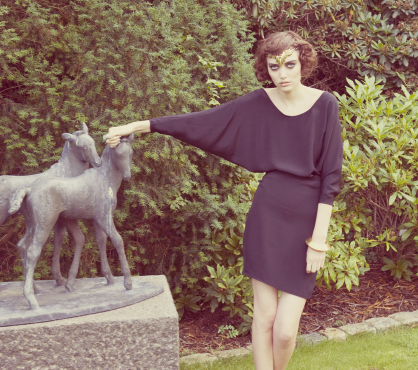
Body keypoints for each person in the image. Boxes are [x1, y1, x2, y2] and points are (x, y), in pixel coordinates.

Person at [105, 31, 343, 370]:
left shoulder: (325, 105)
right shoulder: (259, 102)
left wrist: (318, 241)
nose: (282, 74)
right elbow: (203, 122)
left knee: (285, 332)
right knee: (265, 316)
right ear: (266, 68)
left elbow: (331, 177)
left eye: (290, 64)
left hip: (306, 225)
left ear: (302, 62)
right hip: (268, 216)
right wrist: (139, 126)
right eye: (274, 67)